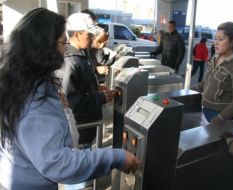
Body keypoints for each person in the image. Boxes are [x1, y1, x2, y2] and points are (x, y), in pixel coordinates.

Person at [0, 8, 139, 190]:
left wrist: (64, 110)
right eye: (62, 42)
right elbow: (58, 163)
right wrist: (114, 157)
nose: (65, 48)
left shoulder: (20, 83)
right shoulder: (35, 98)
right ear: (44, 46)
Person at [59, 12, 116, 146]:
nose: (92, 38)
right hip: (79, 130)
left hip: (86, 126)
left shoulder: (81, 54)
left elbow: (79, 87)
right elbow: (70, 101)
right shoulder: (70, 60)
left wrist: (95, 88)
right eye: (89, 34)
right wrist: (100, 97)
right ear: (77, 35)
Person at [191, 22, 233, 125]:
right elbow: (209, 80)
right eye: (215, 39)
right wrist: (190, 90)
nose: (216, 43)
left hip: (224, 121)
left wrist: (218, 120)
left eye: (220, 39)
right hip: (206, 114)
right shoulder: (216, 58)